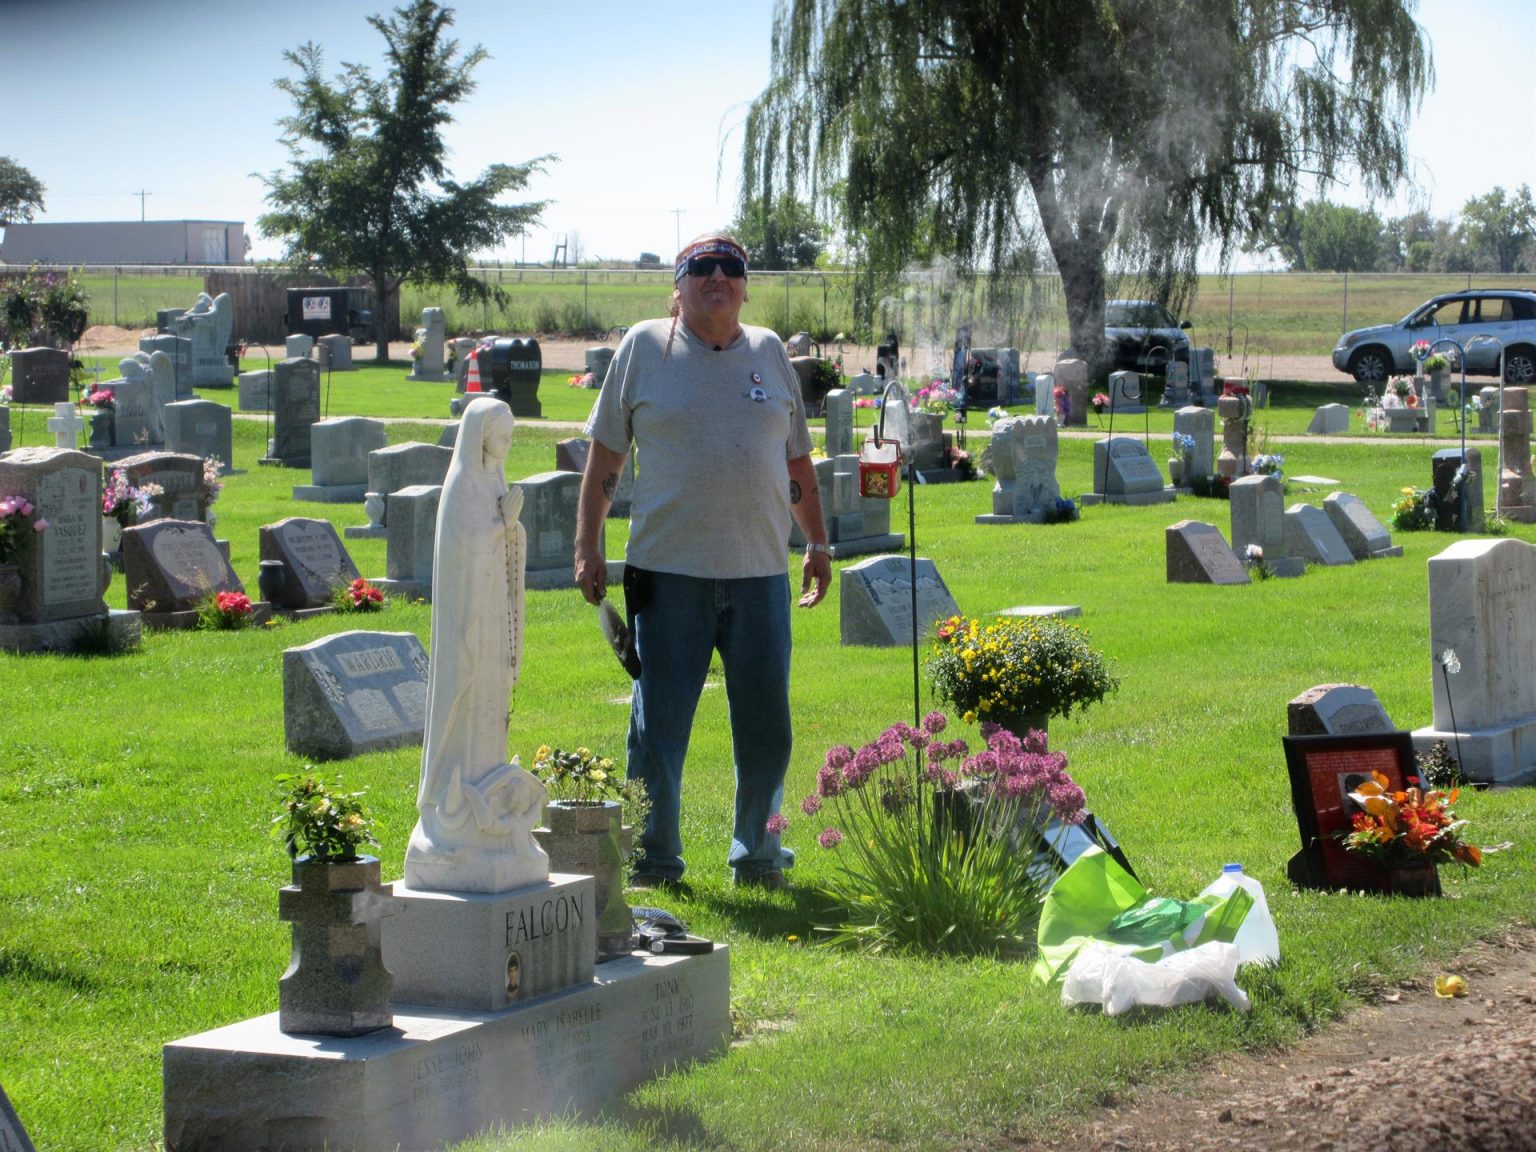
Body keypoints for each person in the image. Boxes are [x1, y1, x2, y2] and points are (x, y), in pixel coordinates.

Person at [574, 233, 831, 890]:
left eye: (730, 268)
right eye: (700, 268)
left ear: (745, 285)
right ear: (679, 285)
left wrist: (819, 544)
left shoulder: (770, 352)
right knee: (657, 729)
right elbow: (606, 457)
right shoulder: (644, 349)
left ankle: (758, 856)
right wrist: (588, 544)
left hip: (761, 576)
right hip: (666, 574)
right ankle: (656, 861)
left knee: (767, 729)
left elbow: (796, 460)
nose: (716, 277)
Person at [405, 395, 548, 894]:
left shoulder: (493, 478)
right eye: (501, 437)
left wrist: (512, 529)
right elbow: (466, 550)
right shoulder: (463, 483)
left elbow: (504, 542)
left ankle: (496, 813)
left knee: (493, 707)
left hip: (493, 618)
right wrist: (502, 525)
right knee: (468, 708)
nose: (507, 447)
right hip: (469, 626)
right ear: (481, 436)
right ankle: (457, 816)